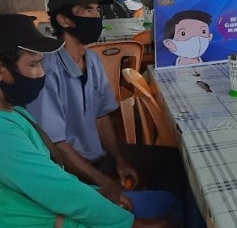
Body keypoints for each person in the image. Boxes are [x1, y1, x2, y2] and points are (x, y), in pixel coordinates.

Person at [27, 0, 187, 210]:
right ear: (63, 20)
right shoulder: (47, 70)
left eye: (97, 10)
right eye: (87, 10)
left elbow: (102, 116)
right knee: (147, 196)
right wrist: (106, 183)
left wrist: (119, 161)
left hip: (100, 157)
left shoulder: (91, 60)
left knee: (174, 162)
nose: (95, 17)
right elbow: (57, 145)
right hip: (68, 169)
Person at [0, 13, 137, 227]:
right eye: (33, 65)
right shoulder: (4, 134)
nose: (40, 74)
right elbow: (54, 190)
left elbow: (54, 177)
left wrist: (98, 191)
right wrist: (127, 223)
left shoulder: (14, 111)